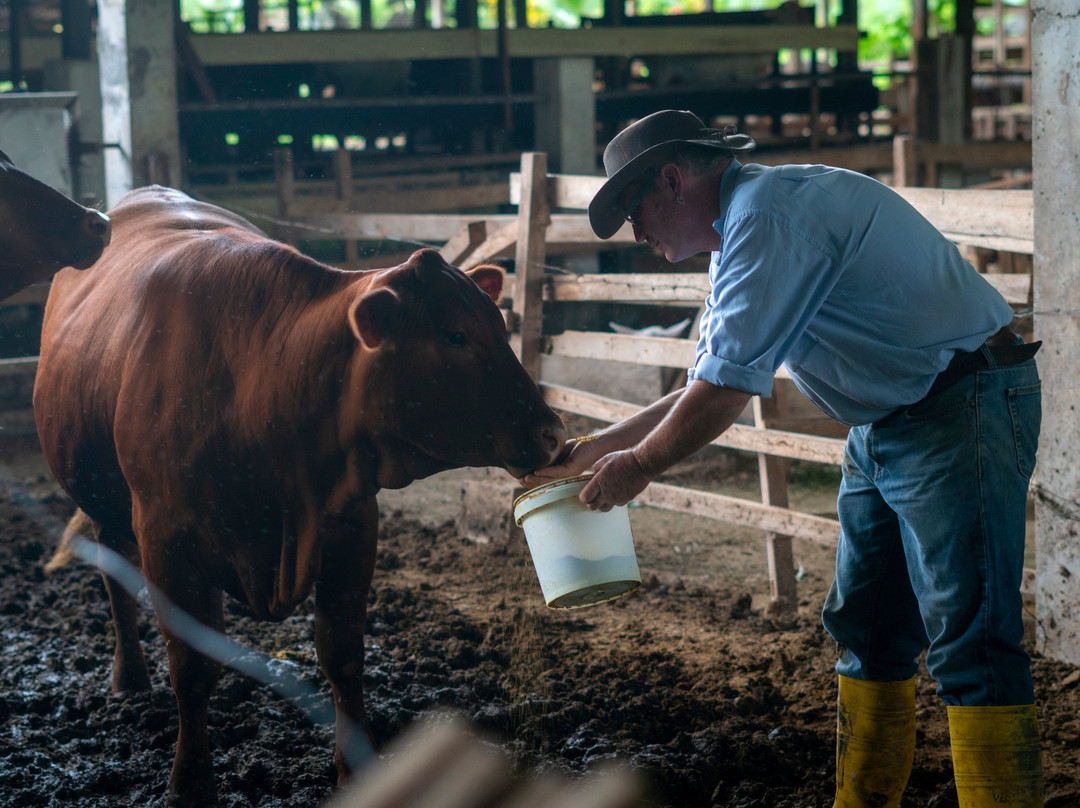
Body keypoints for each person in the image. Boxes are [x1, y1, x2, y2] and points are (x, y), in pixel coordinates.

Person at [521, 109, 1044, 807]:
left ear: (673, 180)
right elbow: (701, 382)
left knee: (971, 641)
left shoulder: (769, 217)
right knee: (868, 626)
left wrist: (637, 466)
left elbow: (721, 393)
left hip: (959, 404)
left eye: (634, 209)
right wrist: (593, 449)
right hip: (893, 420)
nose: (635, 233)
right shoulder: (747, 226)